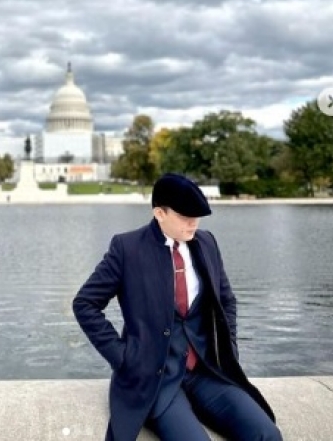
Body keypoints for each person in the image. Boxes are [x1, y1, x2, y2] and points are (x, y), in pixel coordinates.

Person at [72, 173, 283, 441]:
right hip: (155, 379)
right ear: (160, 213)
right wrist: (123, 358)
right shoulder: (127, 248)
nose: (193, 223)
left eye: (197, 216)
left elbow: (226, 299)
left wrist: (228, 346)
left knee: (267, 434)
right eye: (185, 216)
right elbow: (85, 304)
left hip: (207, 371)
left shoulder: (207, 242)